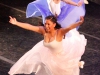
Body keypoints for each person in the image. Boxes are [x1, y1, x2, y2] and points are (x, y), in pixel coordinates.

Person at [8, 15, 87, 75]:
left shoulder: (59, 32)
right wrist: (16, 23)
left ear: (54, 24)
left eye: (48, 24)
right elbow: (30, 27)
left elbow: (69, 27)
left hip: (61, 57)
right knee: (32, 59)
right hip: (48, 53)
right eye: (45, 24)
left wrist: (79, 22)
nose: (46, 26)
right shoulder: (43, 30)